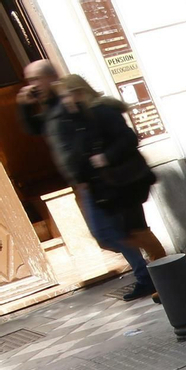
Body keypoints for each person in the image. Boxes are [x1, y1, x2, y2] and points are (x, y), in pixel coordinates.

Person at [19, 66, 161, 301]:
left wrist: (105, 158)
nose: (64, 102)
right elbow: (40, 129)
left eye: (66, 96)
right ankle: (159, 276)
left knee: (130, 231)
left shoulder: (98, 111)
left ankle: (165, 276)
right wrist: (25, 105)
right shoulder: (71, 114)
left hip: (123, 181)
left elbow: (127, 138)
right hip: (103, 184)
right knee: (128, 231)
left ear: (76, 92)